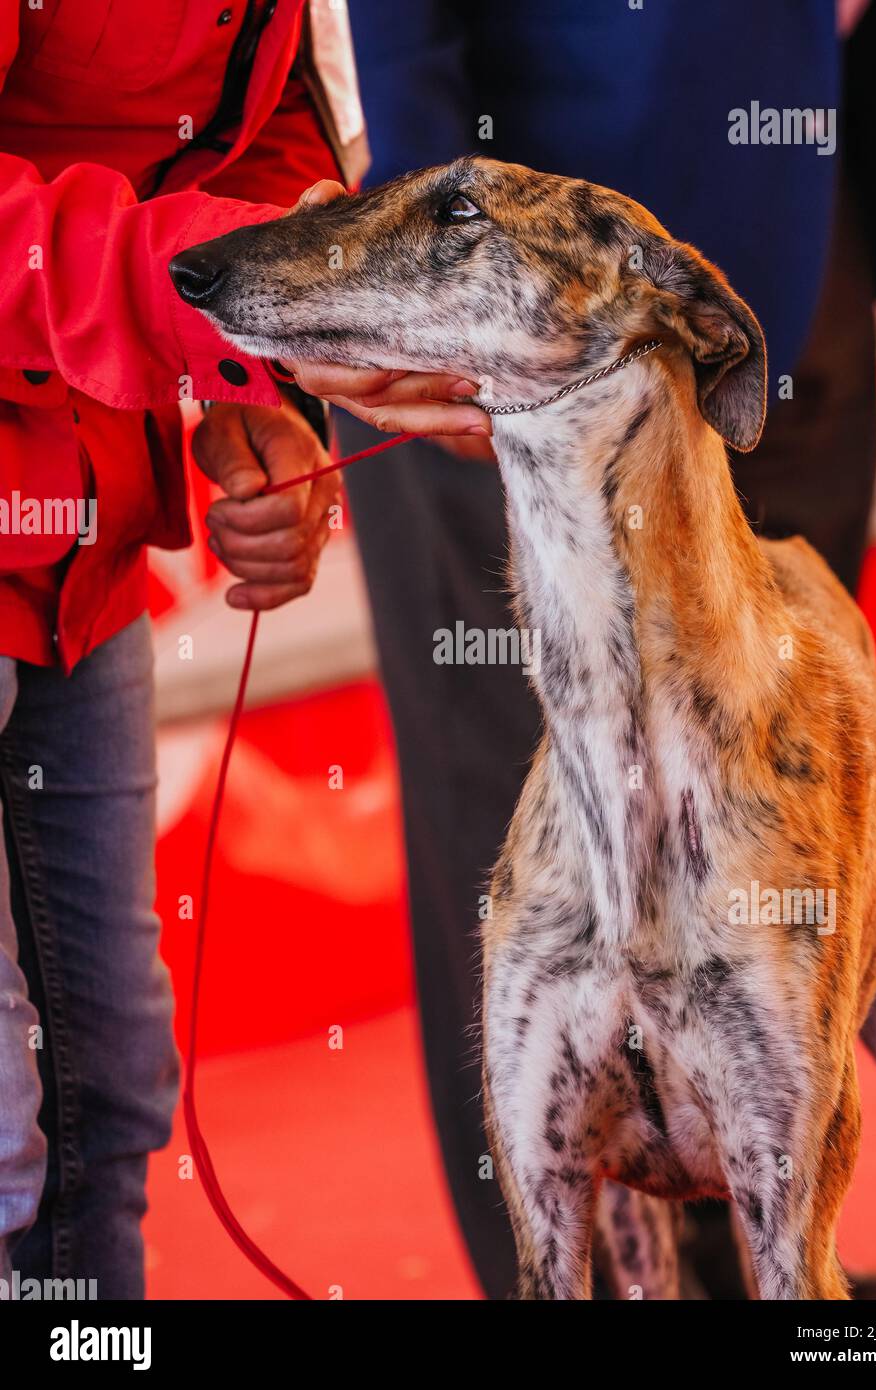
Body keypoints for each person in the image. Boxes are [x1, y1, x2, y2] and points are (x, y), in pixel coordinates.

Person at [316, 0, 876, 1298]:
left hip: (801, 239)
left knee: (771, 841)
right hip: (536, 297)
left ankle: (741, 1273)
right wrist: (444, 272)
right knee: (533, 869)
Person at [0, 0, 486, 1298]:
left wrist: (251, 390)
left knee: (106, 1089)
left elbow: (260, 142)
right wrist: (197, 303)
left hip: (74, 554)